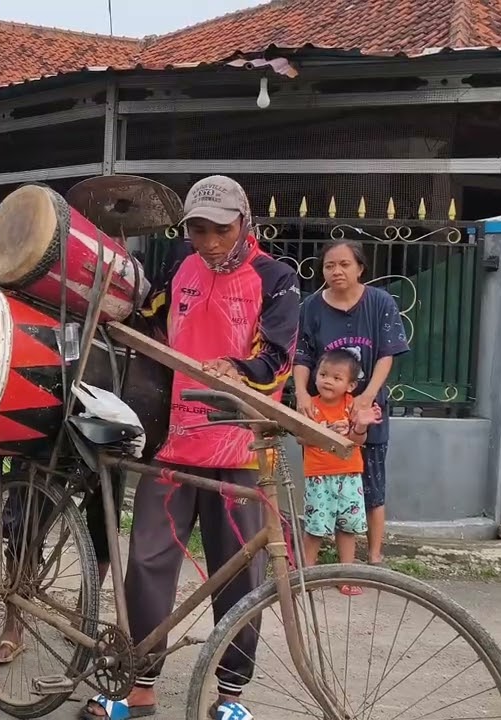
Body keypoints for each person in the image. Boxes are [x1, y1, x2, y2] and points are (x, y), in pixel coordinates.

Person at [85, 176, 300, 719]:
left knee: (239, 574)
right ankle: (138, 686)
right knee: (148, 562)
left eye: (219, 230)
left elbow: (277, 358)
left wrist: (235, 370)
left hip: (239, 448)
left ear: (244, 222)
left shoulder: (277, 280)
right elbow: (146, 325)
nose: (208, 242)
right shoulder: (180, 272)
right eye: (198, 231)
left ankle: (229, 695)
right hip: (174, 444)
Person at [294, 239, 409, 565]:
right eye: (330, 265)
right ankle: (316, 563)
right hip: (322, 411)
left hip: (367, 409)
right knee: (322, 485)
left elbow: (388, 354)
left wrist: (367, 396)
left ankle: (373, 559)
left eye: (345, 264)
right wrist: (301, 393)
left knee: (371, 486)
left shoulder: (380, 302)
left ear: (360, 267)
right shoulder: (311, 307)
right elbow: (302, 355)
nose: (336, 271)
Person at [300, 349, 380, 595]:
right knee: (314, 529)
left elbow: (358, 441)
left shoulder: (352, 407)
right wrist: (323, 431)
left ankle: (346, 575)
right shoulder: (309, 406)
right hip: (318, 476)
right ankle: (305, 576)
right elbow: (301, 438)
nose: (327, 380)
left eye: (336, 377)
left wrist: (360, 425)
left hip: (349, 475)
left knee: (347, 528)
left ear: (350, 385)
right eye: (323, 374)